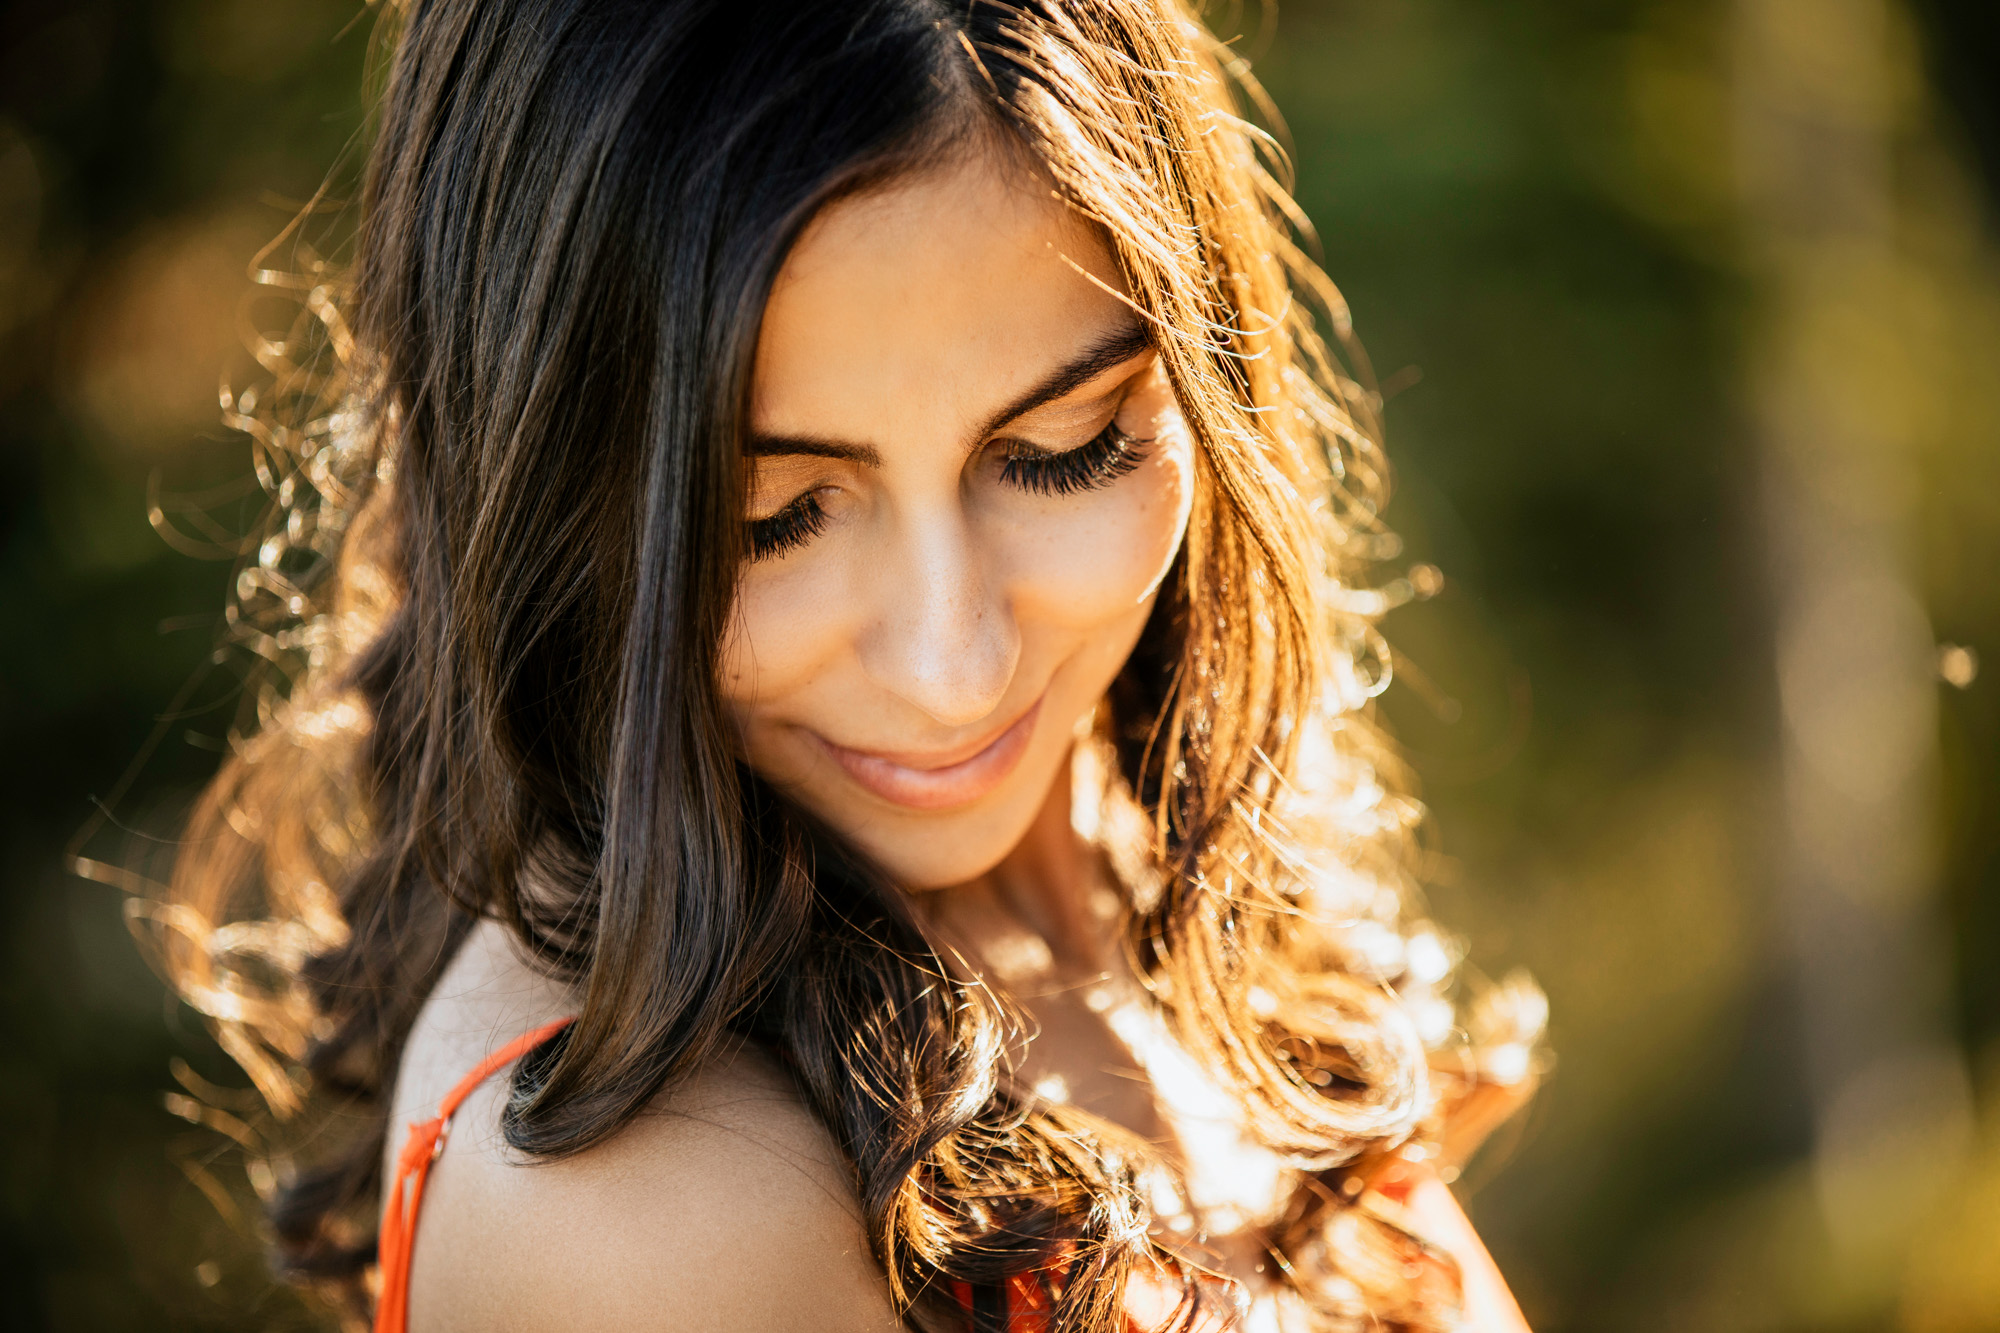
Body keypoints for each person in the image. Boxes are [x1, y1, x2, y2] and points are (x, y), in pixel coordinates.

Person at [153, 1, 1547, 1329]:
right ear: (536, 491)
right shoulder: (652, 1224)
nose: (955, 670)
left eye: (1059, 451)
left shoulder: (1120, 851)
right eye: (771, 521)